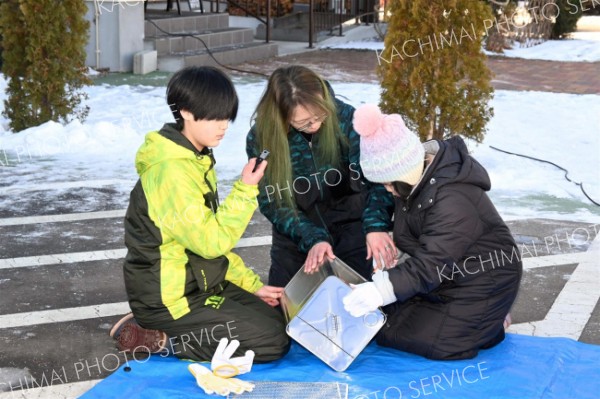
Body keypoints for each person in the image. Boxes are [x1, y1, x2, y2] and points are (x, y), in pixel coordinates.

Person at [110, 66, 289, 362]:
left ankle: (163, 326)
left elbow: (207, 243)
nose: (223, 126)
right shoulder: (171, 172)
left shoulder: (194, 158)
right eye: (215, 117)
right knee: (271, 341)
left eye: (226, 117)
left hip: (199, 283)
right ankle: (160, 338)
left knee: (274, 320)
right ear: (186, 112)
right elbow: (210, 243)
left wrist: (252, 286)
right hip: (171, 299)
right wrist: (245, 190)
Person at [343, 104, 522, 360]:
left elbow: (433, 262)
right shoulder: (414, 183)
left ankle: (491, 325)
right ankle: (479, 323)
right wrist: (393, 269)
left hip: (484, 280)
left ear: (403, 172)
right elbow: (426, 245)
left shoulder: (452, 198)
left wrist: (381, 289)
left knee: (437, 344)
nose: (388, 191)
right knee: (384, 325)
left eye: (387, 184)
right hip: (446, 276)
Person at [246, 65, 396, 288]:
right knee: (288, 309)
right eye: (304, 122)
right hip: (296, 235)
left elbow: (378, 178)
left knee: (356, 303)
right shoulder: (262, 138)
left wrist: (375, 225)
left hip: (351, 227)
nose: (315, 125)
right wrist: (313, 239)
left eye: (320, 115)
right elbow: (273, 201)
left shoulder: (348, 120)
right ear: (282, 116)